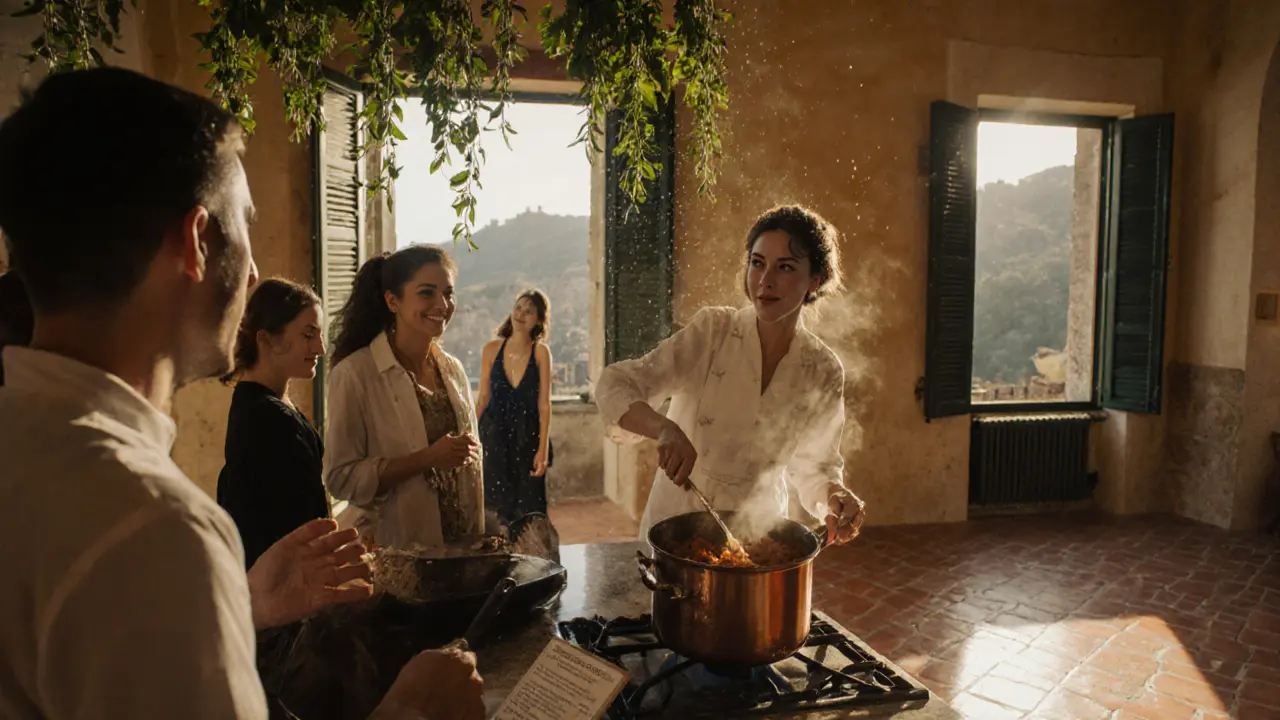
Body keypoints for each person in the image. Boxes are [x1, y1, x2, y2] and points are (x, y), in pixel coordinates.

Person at [0, 68, 484, 720]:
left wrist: (239, 601)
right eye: (244, 226)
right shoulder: (150, 530)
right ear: (197, 243)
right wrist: (412, 709)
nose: (254, 270)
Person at [595, 204, 867, 545]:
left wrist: (833, 496)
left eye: (785, 267)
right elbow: (616, 384)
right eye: (757, 263)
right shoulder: (713, 331)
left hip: (759, 533)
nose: (765, 281)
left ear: (815, 278)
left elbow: (816, 466)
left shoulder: (822, 369)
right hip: (676, 524)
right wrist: (663, 428)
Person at [325, 245, 484, 552]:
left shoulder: (453, 370)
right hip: (396, 554)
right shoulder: (355, 374)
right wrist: (428, 458)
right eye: (426, 292)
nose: (442, 304)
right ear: (392, 300)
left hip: (462, 551)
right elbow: (340, 478)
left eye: (449, 293)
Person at [217, 278, 331, 568]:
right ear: (266, 339)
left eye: (320, 334)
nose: (320, 348)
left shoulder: (259, 403)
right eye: (308, 334)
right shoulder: (268, 419)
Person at [477, 289, 554, 528]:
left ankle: (534, 563)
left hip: (528, 439)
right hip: (494, 439)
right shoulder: (491, 350)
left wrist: (542, 450)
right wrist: (468, 437)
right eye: (518, 307)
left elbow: (544, 405)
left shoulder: (541, 352)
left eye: (529, 311)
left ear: (539, 320)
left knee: (531, 513)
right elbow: (482, 399)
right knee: (496, 512)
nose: (521, 314)